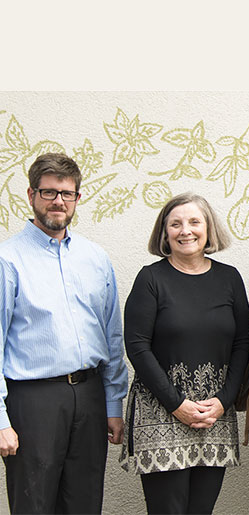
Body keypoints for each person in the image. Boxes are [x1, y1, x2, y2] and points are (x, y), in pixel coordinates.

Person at [0, 153, 128, 514]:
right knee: (34, 503)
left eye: (66, 194)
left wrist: (112, 403)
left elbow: (111, 337)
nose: (58, 201)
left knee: (85, 501)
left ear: (77, 199)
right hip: (33, 401)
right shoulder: (8, 260)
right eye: (49, 192)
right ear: (31, 195)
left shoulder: (96, 258)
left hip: (89, 395)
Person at [120, 193, 249, 514]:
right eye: (175, 224)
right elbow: (137, 346)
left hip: (213, 414)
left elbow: (242, 343)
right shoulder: (151, 278)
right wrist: (176, 404)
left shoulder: (229, 278)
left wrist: (224, 401)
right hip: (160, 412)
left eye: (194, 222)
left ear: (208, 229)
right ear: (164, 233)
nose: (185, 230)